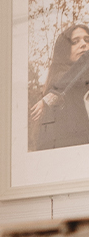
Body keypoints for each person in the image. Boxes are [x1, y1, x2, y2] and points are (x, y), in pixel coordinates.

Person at [30, 22, 89, 150]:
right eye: (75, 42)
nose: (84, 44)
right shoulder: (59, 78)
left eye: (87, 40)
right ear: (64, 51)